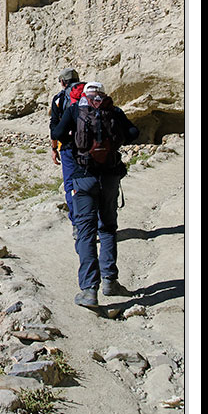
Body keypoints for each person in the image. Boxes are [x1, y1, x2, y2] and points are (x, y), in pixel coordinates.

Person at [50, 80, 139, 308]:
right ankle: (110, 281)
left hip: (83, 176)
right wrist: (114, 143)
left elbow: (57, 132)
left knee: (86, 231)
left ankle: (89, 290)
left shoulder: (74, 110)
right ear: (102, 94)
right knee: (108, 228)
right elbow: (133, 132)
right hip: (109, 176)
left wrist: (75, 143)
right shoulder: (113, 111)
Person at [49, 67, 83, 236]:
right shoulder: (90, 96)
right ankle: (99, 221)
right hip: (90, 148)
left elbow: (54, 126)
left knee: (70, 185)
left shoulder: (59, 99)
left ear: (62, 82)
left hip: (68, 148)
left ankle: (77, 224)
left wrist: (54, 148)